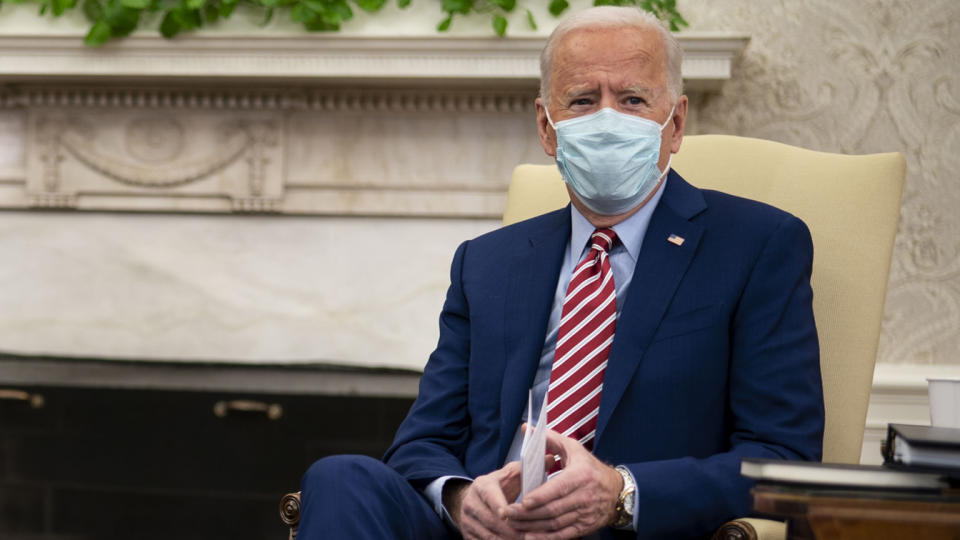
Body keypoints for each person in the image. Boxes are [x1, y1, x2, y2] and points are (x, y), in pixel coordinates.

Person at [297, 6, 824, 539]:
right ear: (548, 128)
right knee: (340, 477)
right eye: (583, 100)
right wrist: (459, 498)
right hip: (487, 530)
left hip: (624, 528)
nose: (607, 119)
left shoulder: (757, 245)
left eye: (633, 99)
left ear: (677, 123)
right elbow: (421, 443)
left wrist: (622, 493)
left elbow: (783, 458)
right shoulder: (487, 261)